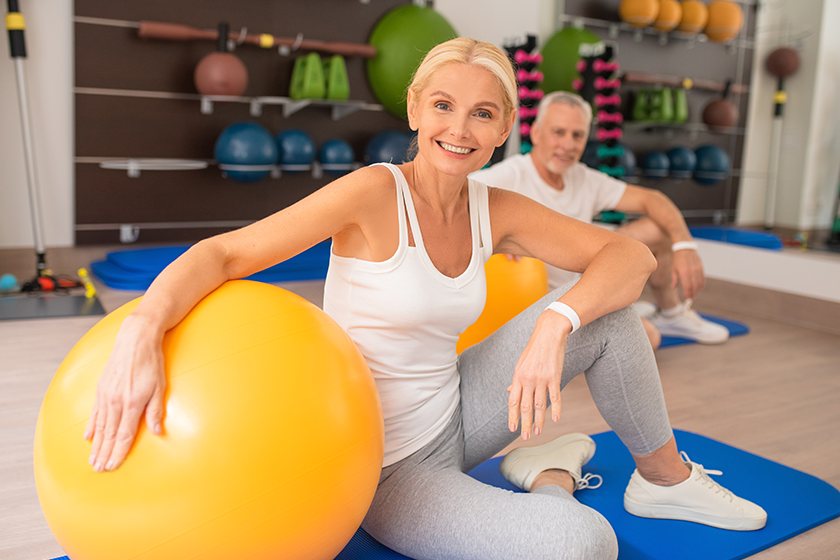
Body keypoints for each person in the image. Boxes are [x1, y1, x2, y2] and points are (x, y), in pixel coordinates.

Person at [84, 38, 765, 560]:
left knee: (611, 318)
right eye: (443, 106)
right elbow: (225, 254)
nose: (459, 130)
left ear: (503, 130)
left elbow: (633, 256)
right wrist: (143, 329)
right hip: (383, 467)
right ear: (415, 108)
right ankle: (549, 468)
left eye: (482, 114)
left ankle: (664, 480)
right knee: (580, 544)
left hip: (459, 410)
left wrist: (558, 323)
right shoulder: (373, 194)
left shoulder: (494, 207)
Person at [471, 91, 730, 349]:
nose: (568, 145)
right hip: (537, 302)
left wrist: (685, 245)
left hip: (584, 286)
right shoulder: (508, 176)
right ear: (536, 133)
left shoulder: (583, 178)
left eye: (577, 135)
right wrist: (496, 240)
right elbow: (455, 202)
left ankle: (671, 314)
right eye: (558, 132)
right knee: (647, 338)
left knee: (658, 229)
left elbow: (653, 200)